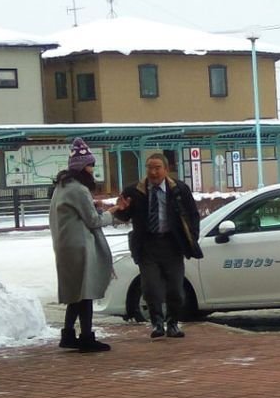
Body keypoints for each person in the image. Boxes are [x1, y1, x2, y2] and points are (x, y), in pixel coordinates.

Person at [49, 138, 129, 353]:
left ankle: (68, 334)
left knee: (76, 292)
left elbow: (77, 212)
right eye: (91, 165)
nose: (93, 169)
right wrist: (112, 212)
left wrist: (95, 206)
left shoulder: (62, 186)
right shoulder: (79, 189)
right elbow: (93, 221)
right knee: (85, 292)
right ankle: (86, 337)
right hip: (80, 247)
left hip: (65, 245)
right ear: (82, 167)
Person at [113, 153, 203, 339]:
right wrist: (121, 211)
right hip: (147, 246)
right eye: (149, 168)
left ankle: (173, 324)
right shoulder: (135, 191)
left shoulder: (179, 189)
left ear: (166, 169)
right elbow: (125, 216)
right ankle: (157, 324)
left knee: (176, 289)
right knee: (151, 288)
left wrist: (192, 237)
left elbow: (193, 215)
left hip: (172, 244)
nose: (153, 172)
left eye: (157, 168)